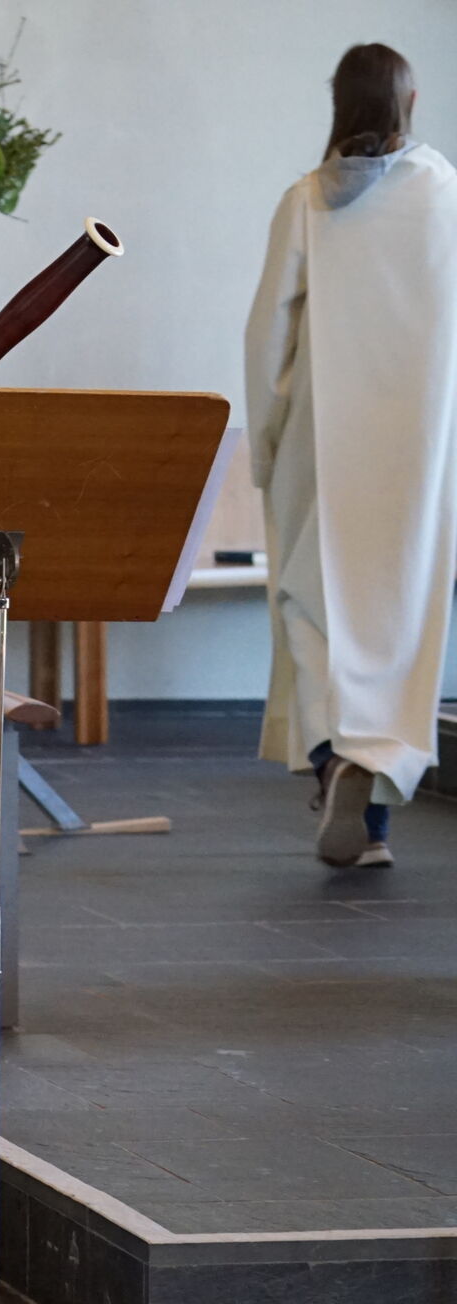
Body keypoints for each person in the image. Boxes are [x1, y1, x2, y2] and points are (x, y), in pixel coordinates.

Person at [246, 42, 457, 868]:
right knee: (399, 618)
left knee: (310, 604)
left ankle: (335, 760)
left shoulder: (307, 201)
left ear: (338, 103)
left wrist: (266, 442)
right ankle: (372, 815)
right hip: (421, 450)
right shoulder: (446, 195)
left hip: (321, 438)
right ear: (411, 103)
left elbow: (269, 333)